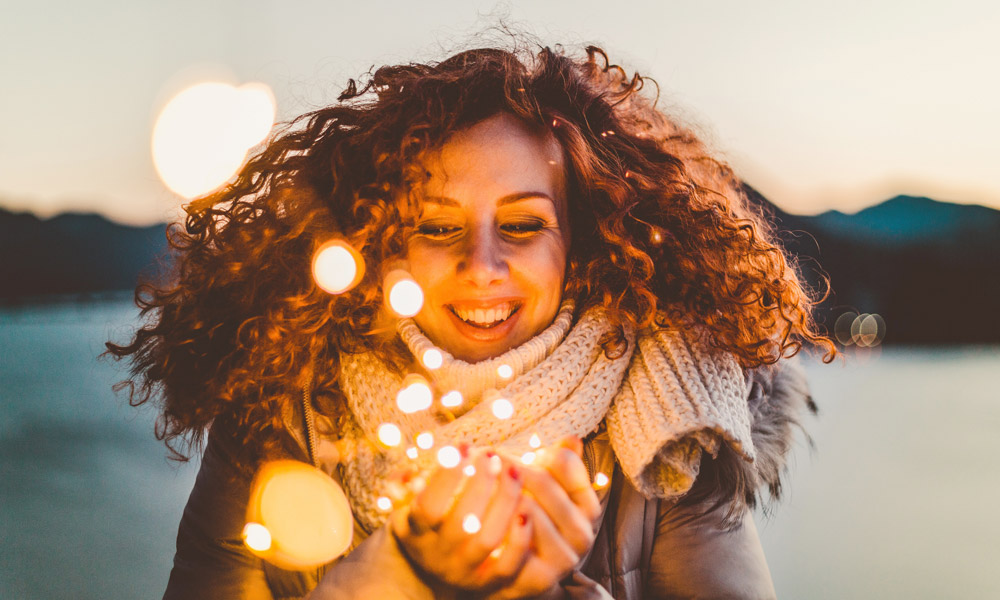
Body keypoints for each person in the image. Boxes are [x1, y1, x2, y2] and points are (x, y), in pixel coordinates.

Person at [108, 43, 835, 599]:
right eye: (438, 227)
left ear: (577, 243)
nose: (482, 265)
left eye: (521, 226)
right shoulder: (282, 411)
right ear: (384, 241)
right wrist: (407, 571)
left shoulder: (672, 419)